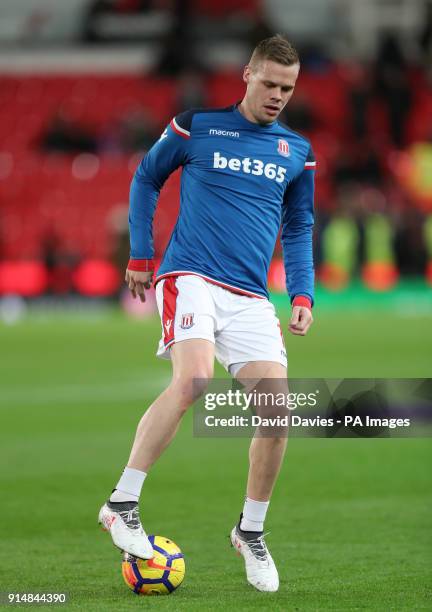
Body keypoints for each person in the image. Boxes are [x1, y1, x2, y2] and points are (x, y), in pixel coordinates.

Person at [99, 34, 316, 593]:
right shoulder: (196, 126)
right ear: (247, 74)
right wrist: (141, 254)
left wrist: (301, 294)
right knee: (193, 380)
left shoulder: (297, 151)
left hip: (249, 295)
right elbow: (147, 177)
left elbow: (298, 226)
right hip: (190, 274)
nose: (276, 96)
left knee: (277, 412)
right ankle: (122, 503)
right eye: (268, 82)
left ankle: (251, 530)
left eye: (286, 88)